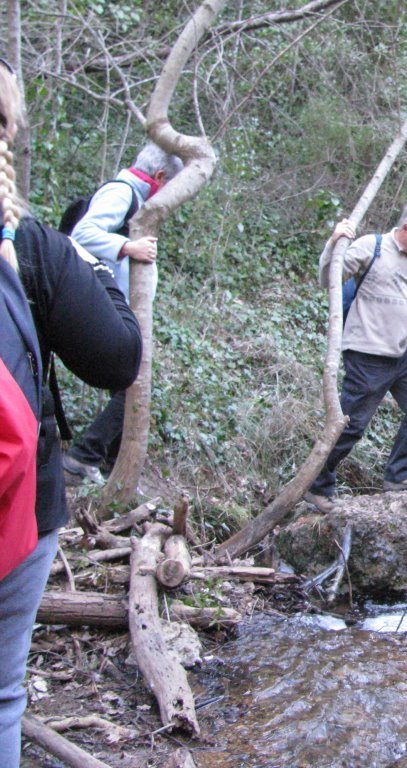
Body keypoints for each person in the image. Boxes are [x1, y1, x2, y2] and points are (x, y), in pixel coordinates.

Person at [0, 59, 143, 767]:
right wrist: (107, 268)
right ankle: (90, 455)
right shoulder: (31, 247)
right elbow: (120, 356)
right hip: (16, 511)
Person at [62, 142, 183, 484]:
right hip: (103, 306)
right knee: (133, 382)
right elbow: (82, 234)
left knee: (129, 383)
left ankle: (107, 464)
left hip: (116, 308)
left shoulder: (136, 200)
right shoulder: (122, 192)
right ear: (159, 177)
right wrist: (128, 247)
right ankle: (83, 458)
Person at [306, 201, 407, 509]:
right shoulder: (373, 247)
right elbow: (328, 279)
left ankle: (399, 474)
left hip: (400, 355)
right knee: (350, 425)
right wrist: (334, 242)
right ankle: (317, 487)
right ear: (406, 228)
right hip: (366, 352)